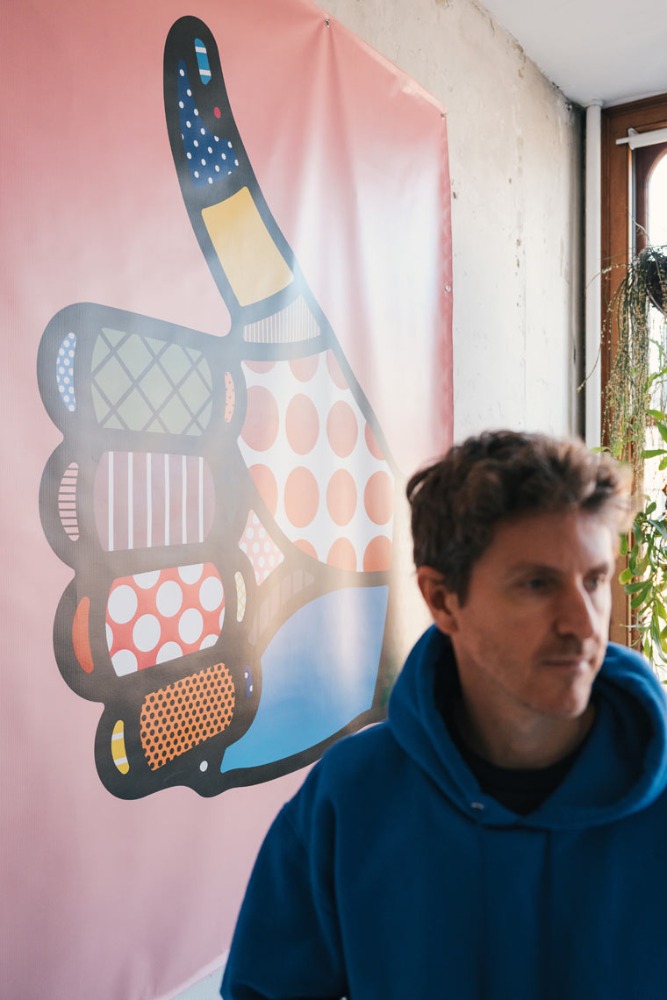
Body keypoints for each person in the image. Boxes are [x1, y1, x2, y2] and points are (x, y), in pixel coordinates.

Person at [221, 429, 667, 1000]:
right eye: (537, 584)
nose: (583, 624)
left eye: (595, 580)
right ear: (441, 599)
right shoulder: (350, 798)